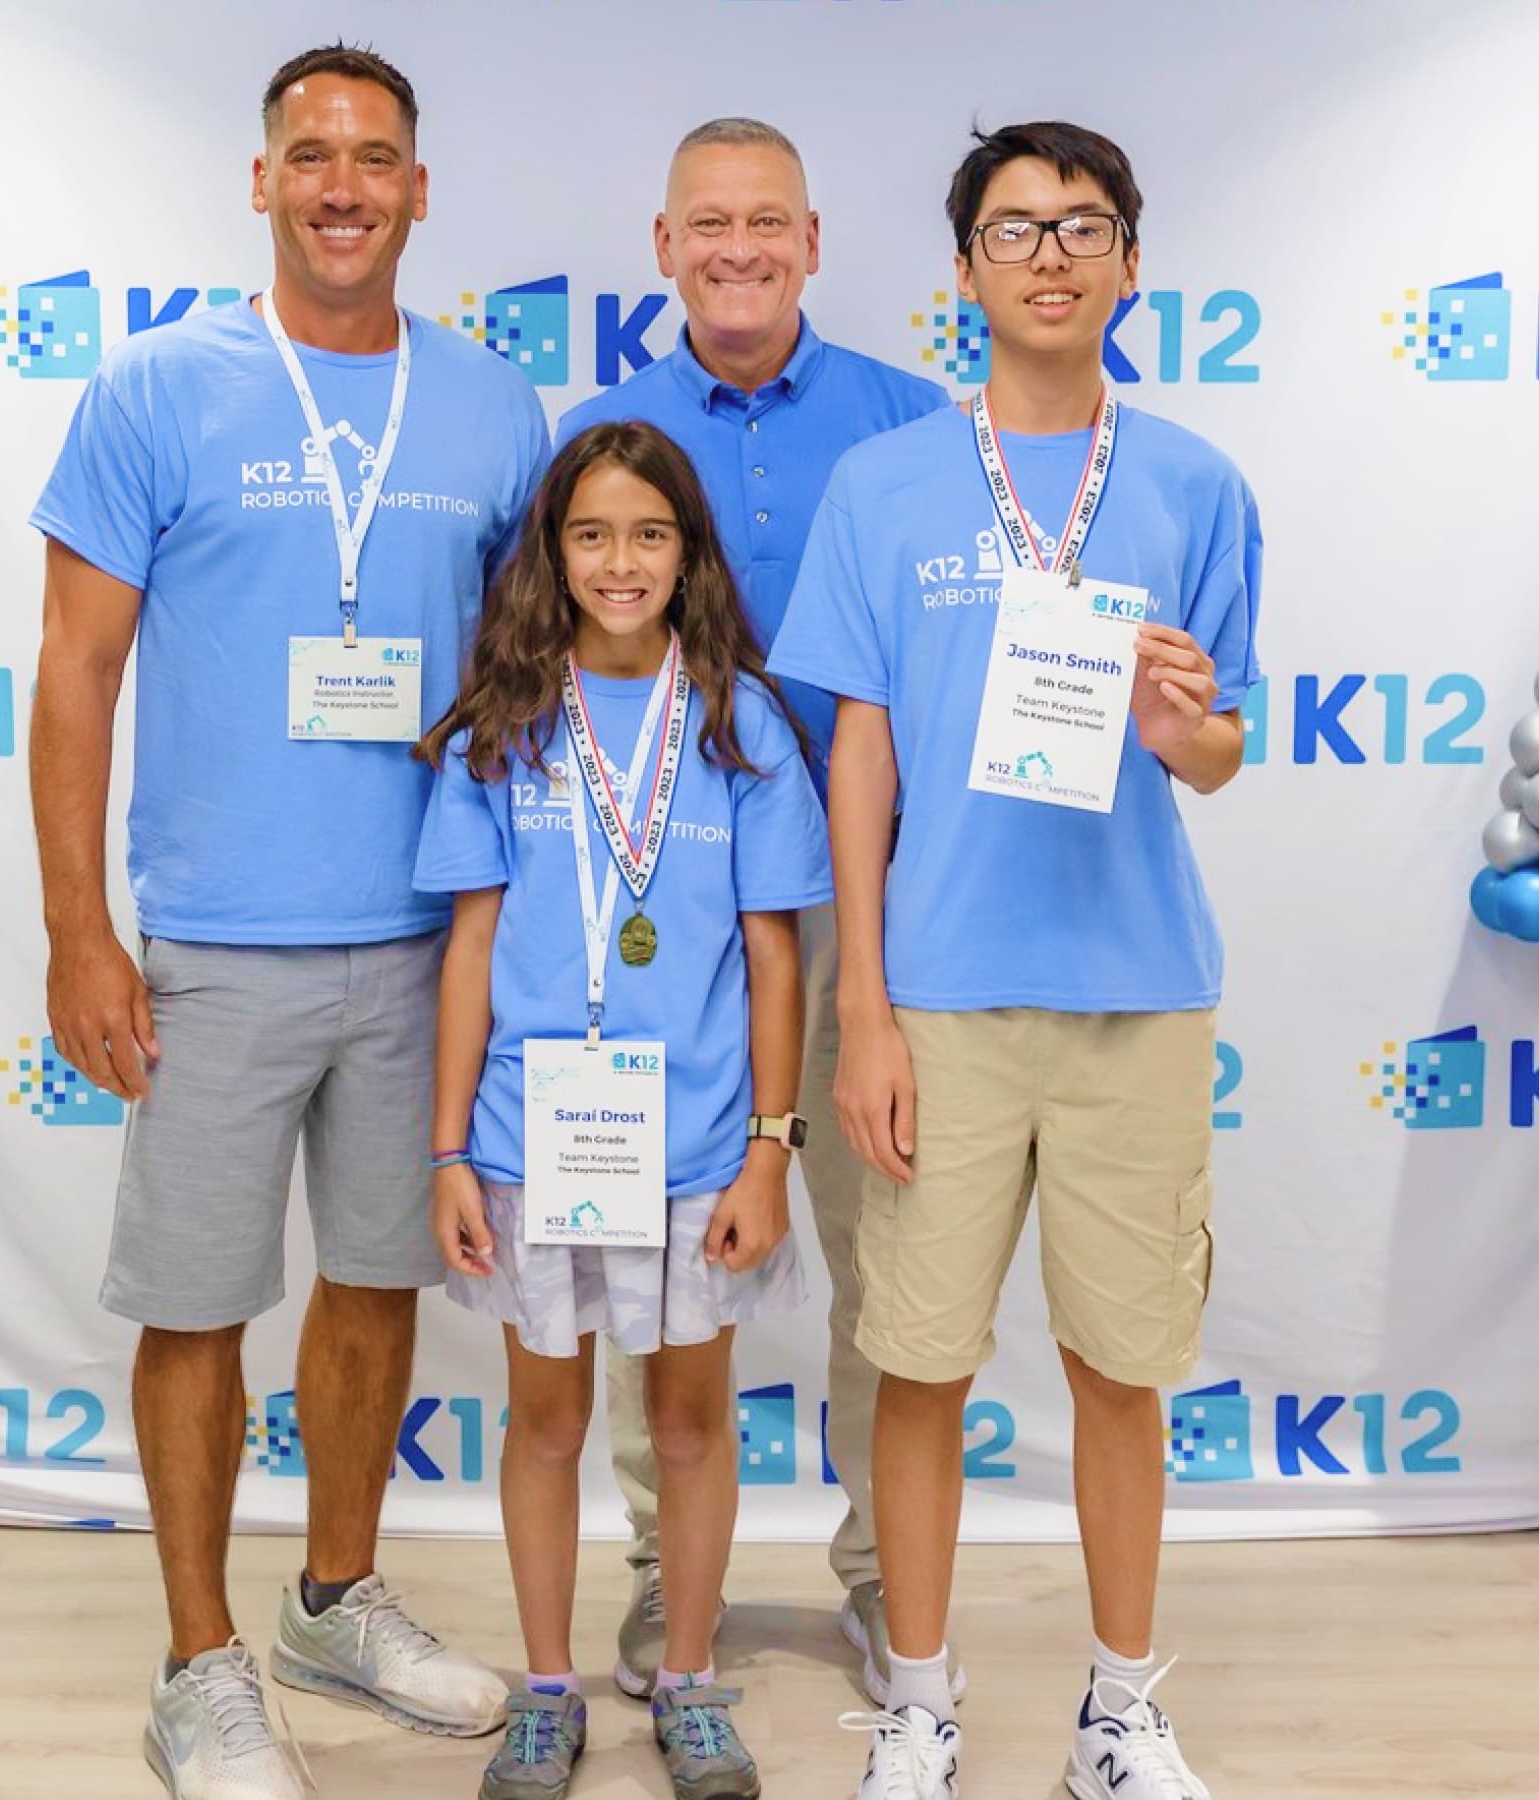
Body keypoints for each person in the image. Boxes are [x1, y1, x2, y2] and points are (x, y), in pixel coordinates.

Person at [28, 44, 548, 1800]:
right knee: (196, 1304)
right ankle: (199, 1661)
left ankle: (333, 1596)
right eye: (310, 155)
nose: (342, 185)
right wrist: (78, 935)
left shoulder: (492, 407)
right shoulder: (155, 390)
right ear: (261, 183)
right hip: (214, 945)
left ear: (419, 191)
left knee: (376, 1286)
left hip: (417, 939)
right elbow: (77, 677)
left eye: (376, 158)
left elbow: (514, 680)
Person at [769, 122, 1261, 1800]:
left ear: (1133, 260)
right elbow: (858, 759)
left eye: (1084, 226)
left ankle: (1122, 1710)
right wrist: (866, 1008)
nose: (1050, 255)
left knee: (1123, 1371)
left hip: (1138, 993)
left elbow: (1222, 755)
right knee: (919, 1365)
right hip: (945, 1002)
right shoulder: (889, 481)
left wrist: (1183, 728)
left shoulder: (1195, 481)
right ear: (964, 267)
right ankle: (917, 1698)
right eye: (1013, 228)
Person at [557, 116, 956, 1707]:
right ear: (662, 246)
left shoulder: (911, 422)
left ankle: (881, 1578)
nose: (738, 248)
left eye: (767, 222)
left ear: (812, 239)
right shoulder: (602, 427)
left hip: (869, 909)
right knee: (655, 1264)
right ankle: (671, 1578)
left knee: (889, 1254)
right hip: (650, 918)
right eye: (707, 223)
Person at [415, 420, 830, 1800]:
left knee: (694, 1423)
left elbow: (777, 956)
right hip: (537, 1135)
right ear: (552, 551)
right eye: (590, 533)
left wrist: (772, 1149)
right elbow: (469, 950)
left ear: (691, 552)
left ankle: (692, 1680)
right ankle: (547, 1690)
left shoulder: (740, 721)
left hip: (704, 1142)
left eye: (651, 533)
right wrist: (449, 1149)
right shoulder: (507, 726)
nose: (620, 560)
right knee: (544, 1420)